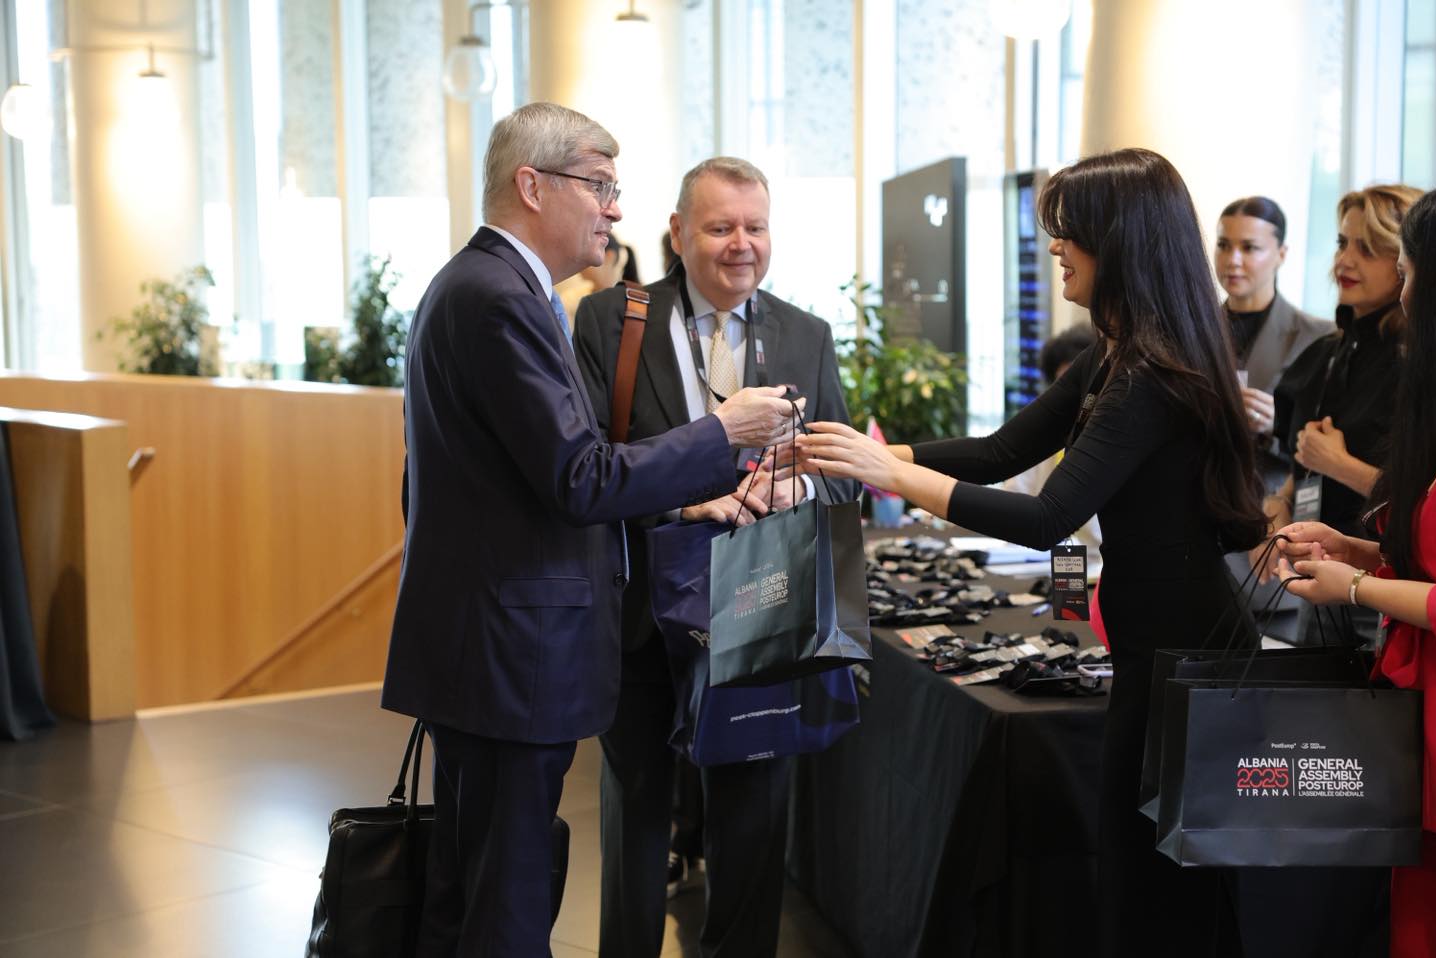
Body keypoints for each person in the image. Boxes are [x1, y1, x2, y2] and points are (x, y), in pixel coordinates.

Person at [793, 147, 1266, 957]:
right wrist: (869, 454)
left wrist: (891, 474)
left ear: (1117, 242)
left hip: (1189, 661)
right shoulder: (1116, 354)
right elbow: (999, 451)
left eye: (1067, 231)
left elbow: (1048, 516)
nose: (1053, 247)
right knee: (1137, 875)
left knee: (1164, 889)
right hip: (1157, 650)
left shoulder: (1150, 374)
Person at [380, 103, 799, 957]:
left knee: (475, 903)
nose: (614, 208)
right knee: (503, 914)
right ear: (533, 186)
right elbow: (579, 476)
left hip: (491, 651)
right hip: (507, 660)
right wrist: (723, 433)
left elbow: (456, 481)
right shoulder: (499, 299)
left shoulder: (492, 290)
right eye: (599, 186)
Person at [573, 156, 857, 958]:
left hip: (760, 611)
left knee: (754, 814)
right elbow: (587, 464)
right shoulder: (613, 320)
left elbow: (841, 475)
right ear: (677, 232)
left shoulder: (805, 335)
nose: (742, 244)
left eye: (755, 227)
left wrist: (799, 487)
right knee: (636, 811)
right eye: (721, 226)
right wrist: (683, 500)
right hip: (642, 605)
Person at [1275, 186, 1436, 957]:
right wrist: (1358, 552)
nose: (1352, 264)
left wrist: (1359, 582)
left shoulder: (1406, 374)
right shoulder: (1337, 352)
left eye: (1395, 264)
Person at [1258, 185, 1422, 647]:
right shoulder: (1329, 352)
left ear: (1405, 262)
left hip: (1388, 586)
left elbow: (1421, 502)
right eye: (1342, 243)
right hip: (1323, 575)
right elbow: (1302, 461)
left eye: (1366, 249)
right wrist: (1280, 503)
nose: (1345, 261)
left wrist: (1339, 465)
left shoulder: (1417, 364)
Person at [1213, 195, 1331, 482]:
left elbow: (1329, 440)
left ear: (1281, 254)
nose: (1233, 260)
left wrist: (1279, 425)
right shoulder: (1189, 330)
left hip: (1271, 495)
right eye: (1224, 245)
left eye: (1249, 248)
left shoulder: (1318, 337)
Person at [1002, 323, 1101, 547]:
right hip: (1043, 558)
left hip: (1104, 561)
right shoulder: (1048, 430)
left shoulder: (1116, 433)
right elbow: (1015, 497)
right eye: (1063, 384)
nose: (1073, 396)